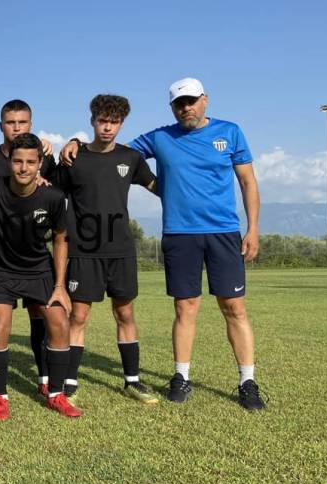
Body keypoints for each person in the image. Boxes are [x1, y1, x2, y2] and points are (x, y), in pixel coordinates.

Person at [60, 78, 265, 410]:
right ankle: (181, 377)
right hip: (179, 234)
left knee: (235, 308)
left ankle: (247, 382)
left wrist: (253, 228)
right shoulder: (159, 138)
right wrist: (75, 141)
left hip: (224, 232)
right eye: (179, 103)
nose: (186, 108)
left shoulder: (230, 132)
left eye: (192, 101)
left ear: (205, 99)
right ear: (172, 107)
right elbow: (110, 151)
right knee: (185, 308)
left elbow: (247, 181)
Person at [52, 94, 159, 404]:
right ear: (93, 121)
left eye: (114, 122)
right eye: (103, 121)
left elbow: (158, 187)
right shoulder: (74, 158)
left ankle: (132, 381)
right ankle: (69, 381)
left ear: (122, 123)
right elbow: (50, 191)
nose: (108, 127)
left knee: (124, 312)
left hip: (121, 251)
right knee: (78, 316)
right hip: (84, 252)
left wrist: (193, 189)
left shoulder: (131, 158)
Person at [0, 133, 80, 420]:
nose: (23, 168)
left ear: (40, 163)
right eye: (18, 161)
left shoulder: (53, 196)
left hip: (38, 269)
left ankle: (55, 394)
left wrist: (60, 286)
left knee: (60, 322)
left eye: (30, 162)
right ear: (9, 161)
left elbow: (61, 239)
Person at [0, 99, 57, 400]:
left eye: (22, 122)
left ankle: (44, 376)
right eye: (11, 122)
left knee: (40, 314)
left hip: (34, 257)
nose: (17, 128)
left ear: (31, 124)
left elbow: (55, 195)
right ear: (1, 126)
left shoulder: (44, 157)